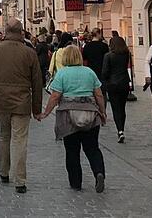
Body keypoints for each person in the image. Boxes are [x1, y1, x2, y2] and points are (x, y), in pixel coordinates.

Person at [0, 18, 43, 194]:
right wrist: (37, 108)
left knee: (3, 136)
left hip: (1, 100)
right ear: (21, 32)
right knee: (20, 140)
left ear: (6, 30)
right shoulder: (29, 52)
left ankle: (3, 171)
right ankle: (20, 179)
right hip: (22, 101)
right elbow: (37, 82)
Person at [36, 45, 107, 193]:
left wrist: (46, 112)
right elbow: (99, 94)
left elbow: (55, 96)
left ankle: (76, 182)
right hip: (90, 114)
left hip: (68, 115)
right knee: (92, 148)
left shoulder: (62, 74)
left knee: (72, 151)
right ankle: (98, 172)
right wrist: (102, 111)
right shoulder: (89, 72)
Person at [102, 36, 132, 143]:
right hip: (124, 82)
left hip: (112, 84)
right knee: (122, 107)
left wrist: (104, 81)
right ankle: (122, 128)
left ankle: (119, 130)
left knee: (115, 108)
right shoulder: (126, 54)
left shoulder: (108, 56)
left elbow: (105, 72)